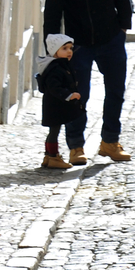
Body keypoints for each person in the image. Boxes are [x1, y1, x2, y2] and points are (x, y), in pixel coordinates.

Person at [43, 0, 133, 164]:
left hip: (110, 37)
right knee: (78, 95)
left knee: (116, 90)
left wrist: (123, 27)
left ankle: (110, 141)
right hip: (79, 43)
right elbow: (52, 12)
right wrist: (54, 48)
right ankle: (76, 146)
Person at [36, 34, 84, 170]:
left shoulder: (62, 65)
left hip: (57, 105)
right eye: (64, 48)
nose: (69, 51)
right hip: (54, 105)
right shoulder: (55, 68)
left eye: (70, 48)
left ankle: (48, 156)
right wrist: (69, 95)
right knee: (54, 131)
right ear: (54, 51)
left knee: (54, 130)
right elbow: (54, 87)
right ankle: (53, 157)